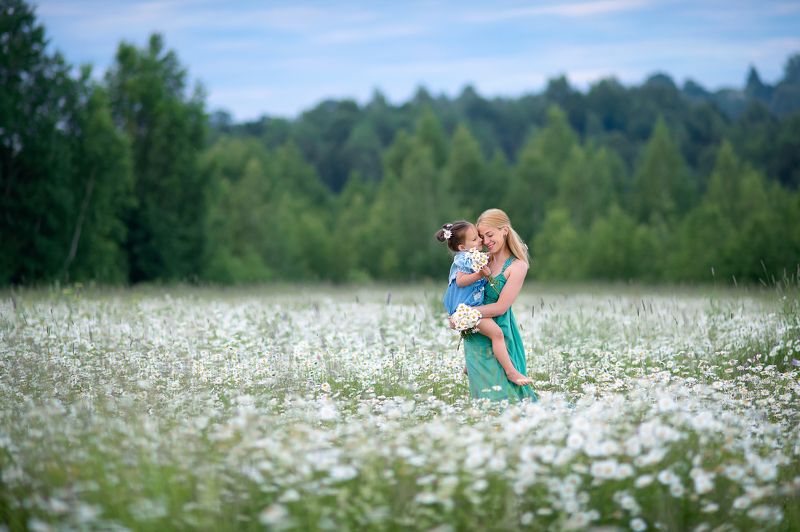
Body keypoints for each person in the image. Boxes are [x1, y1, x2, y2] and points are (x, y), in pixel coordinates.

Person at [436, 220, 533, 386]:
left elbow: (492, 257)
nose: (481, 241)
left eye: (479, 237)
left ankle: (469, 366)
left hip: (468, 308)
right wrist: (480, 275)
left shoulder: (471, 256)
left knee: (488, 335)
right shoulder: (463, 259)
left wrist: (511, 250)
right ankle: (511, 373)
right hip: (465, 311)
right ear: (462, 247)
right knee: (497, 334)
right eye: (475, 239)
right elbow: (460, 281)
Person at [463, 208, 538, 402]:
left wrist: (463, 314)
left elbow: (501, 307)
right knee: (483, 399)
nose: (486, 241)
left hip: (500, 332)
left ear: (504, 230)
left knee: (508, 395)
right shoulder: (482, 260)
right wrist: (460, 312)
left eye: (490, 235)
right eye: (482, 237)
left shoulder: (517, 266)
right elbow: (462, 289)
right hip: (477, 333)